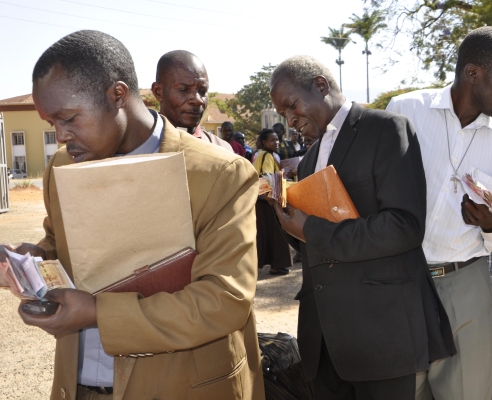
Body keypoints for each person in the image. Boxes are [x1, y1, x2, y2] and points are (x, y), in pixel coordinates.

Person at [7, 30, 263, 400]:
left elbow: (224, 300)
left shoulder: (218, 174)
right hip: (79, 385)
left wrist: (98, 313)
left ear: (118, 94)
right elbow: (61, 247)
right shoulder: (62, 167)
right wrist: (30, 260)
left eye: (70, 118)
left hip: (182, 388)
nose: (61, 136)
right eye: (52, 124)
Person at [269, 55, 456, 400]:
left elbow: (404, 226)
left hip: (380, 333)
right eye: (282, 115)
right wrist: (285, 219)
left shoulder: (386, 128)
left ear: (321, 86)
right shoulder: (309, 158)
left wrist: (312, 230)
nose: (289, 119)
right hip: (325, 342)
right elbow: (318, 244)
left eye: (291, 106)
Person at [388, 26, 492, 400]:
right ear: (473, 73)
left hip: (465, 280)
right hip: (401, 278)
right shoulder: (405, 111)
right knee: (402, 387)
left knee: (466, 392)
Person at [151, 50, 233, 152]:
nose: (197, 100)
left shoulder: (223, 151)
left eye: (202, 91)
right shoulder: (137, 147)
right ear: (158, 92)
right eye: (183, 90)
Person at [253, 128, 293, 275]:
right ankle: (277, 264)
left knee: (267, 233)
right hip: (267, 200)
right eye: (272, 140)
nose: (276, 142)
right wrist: (270, 199)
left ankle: (272, 263)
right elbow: (265, 177)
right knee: (277, 232)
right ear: (264, 142)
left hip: (266, 199)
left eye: (277, 140)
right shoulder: (266, 156)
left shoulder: (267, 155)